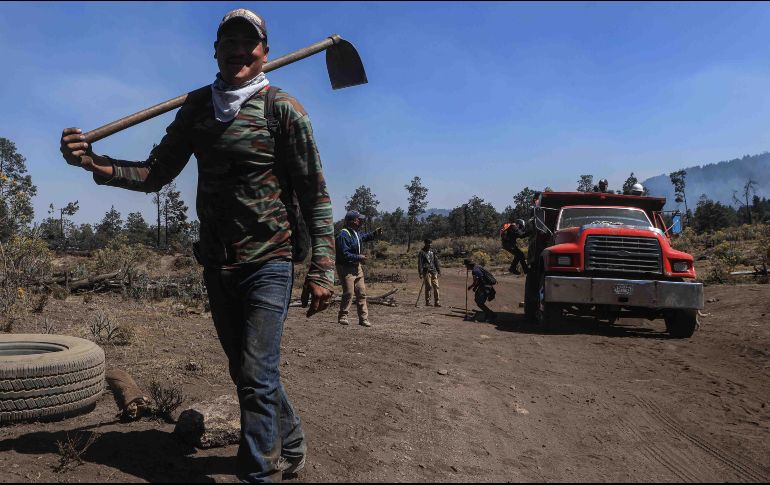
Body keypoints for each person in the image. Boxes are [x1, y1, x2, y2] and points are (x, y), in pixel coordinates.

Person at [60, 8, 335, 482]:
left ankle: (260, 474)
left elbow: (314, 193)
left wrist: (322, 269)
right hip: (217, 263)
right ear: (215, 51)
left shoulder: (283, 110)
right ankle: (290, 444)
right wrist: (94, 164)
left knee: (255, 376)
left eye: (248, 43)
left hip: (270, 260)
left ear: (264, 53)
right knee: (248, 372)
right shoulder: (197, 109)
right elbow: (155, 173)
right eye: (228, 41)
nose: (238, 50)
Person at [335, 210, 382, 326]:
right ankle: (343, 316)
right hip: (346, 268)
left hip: (357, 267)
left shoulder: (355, 233)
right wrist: (358, 257)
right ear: (353, 221)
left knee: (361, 292)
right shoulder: (343, 235)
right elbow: (344, 254)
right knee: (349, 293)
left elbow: (363, 237)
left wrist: (374, 234)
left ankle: (363, 319)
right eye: (358, 219)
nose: (360, 221)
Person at [417, 238, 441, 307]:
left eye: (430, 243)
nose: (430, 245)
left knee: (436, 286)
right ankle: (428, 301)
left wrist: (438, 270)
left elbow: (435, 261)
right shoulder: (421, 252)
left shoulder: (432, 252)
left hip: (433, 271)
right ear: (425, 244)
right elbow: (420, 263)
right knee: (429, 286)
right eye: (428, 243)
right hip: (426, 271)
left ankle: (437, 302)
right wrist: (420, 273)